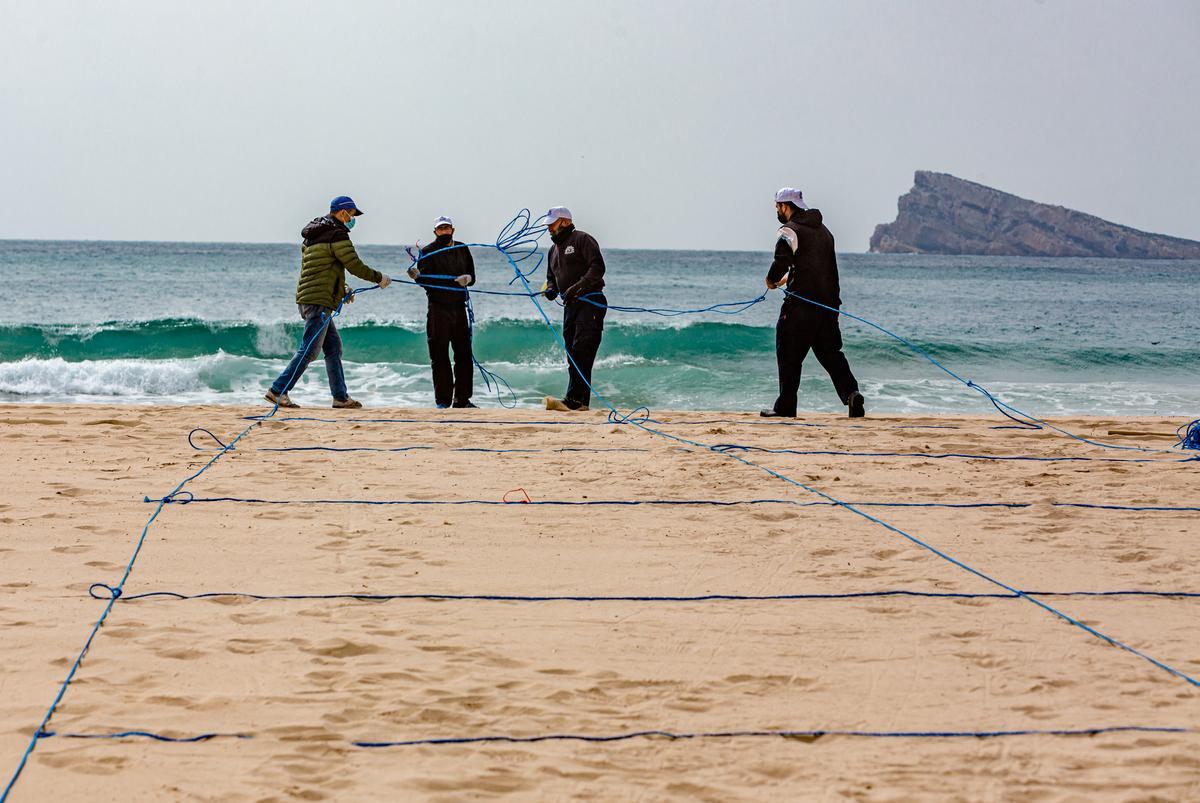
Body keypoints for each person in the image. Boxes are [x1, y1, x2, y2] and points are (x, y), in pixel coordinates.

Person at [265, 195, 391, 409]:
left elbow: (319, 269)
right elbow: (354, 265)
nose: (353, 219)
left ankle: (340, 398)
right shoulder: (337, 233)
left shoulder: (312, 236)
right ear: (342, 213)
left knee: (333, 348)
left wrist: (341, 288)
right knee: (310, 350)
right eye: (351, 214)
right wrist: (379, 278)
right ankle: (278, 391)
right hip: (319, 302)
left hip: (309, 298)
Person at [761, 187, 865, 419]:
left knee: (788, 353)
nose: (777, 211)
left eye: (777, 206)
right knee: (831, 354)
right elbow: (822, 270)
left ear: (786, 206)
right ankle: (851, 394)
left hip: (800, 307)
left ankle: (785, 406)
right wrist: (792, 277)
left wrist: (771, 281)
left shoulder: (789, 231)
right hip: (828, 307)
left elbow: (781, 261)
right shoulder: (825, 232)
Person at [407, 215, 477, 408]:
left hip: (459, 308)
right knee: (439, 356)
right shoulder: (428, 251)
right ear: (435, 232)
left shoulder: (462, 248)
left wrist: (468, 279)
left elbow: (473, 276)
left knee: (463, 355)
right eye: (441, 229)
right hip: (438, 308)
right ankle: (443, 401)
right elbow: (425, 281)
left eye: (447, 228)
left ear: (453, 230)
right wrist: (417, 277)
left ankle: (462, 399)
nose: (444, 231)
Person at [541, 206, 606, 412]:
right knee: (572, 355)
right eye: (548, 225)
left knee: (582, 352)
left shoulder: (582, 239)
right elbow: (551, 278)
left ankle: (573, 400)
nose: (549, 228)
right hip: (570, 307)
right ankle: (580, 404)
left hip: (591, 302)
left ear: (565, 222)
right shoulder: (553, 250)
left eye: (553, 223)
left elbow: (598, 268)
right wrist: (551, 289)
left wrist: (577, 287)